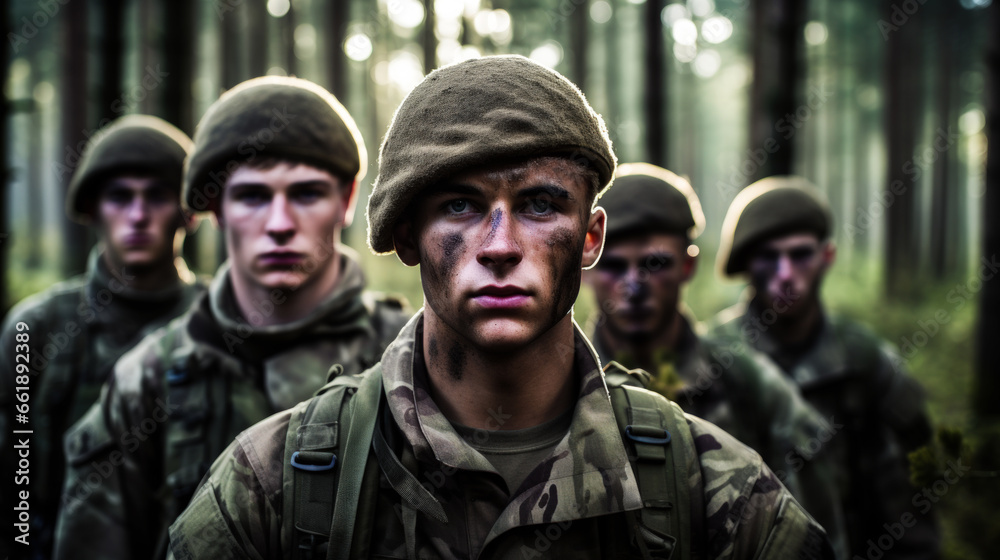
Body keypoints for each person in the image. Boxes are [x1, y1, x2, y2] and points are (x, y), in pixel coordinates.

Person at [167, 56, 832, 560]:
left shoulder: (711, 488)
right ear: (406, 234)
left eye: (541, 205)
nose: (501, 246)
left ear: (591, 237)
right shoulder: (278, 483)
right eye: (459, 205)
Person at [54, 77, 411, 560]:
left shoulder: (414, 357)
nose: (280, 224)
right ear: (215, 207)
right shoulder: (148, 377)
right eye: (253, 197)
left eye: (306, 194)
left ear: (348, 200)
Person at [584, 163, 847, 556]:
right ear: (585, 264)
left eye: (655, 263)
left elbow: (810, 537)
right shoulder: (555, 389)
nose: (634, 284)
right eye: (614, 264)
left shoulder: (753, 386)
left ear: (688, 265)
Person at [0, 115, 206, 560]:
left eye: (157, 196)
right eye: (119, 198)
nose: (137, 215)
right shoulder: (35, 328)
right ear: (93, 210)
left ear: (188, 213)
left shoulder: (221, 321)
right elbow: (14, 468)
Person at [708, 176, 939, 559]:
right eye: (768, 257)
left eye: (800, 254)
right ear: (747, 265)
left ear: (826, 257)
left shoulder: (865, 362)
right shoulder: (711, 358)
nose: (785, 273)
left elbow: (910, 512)